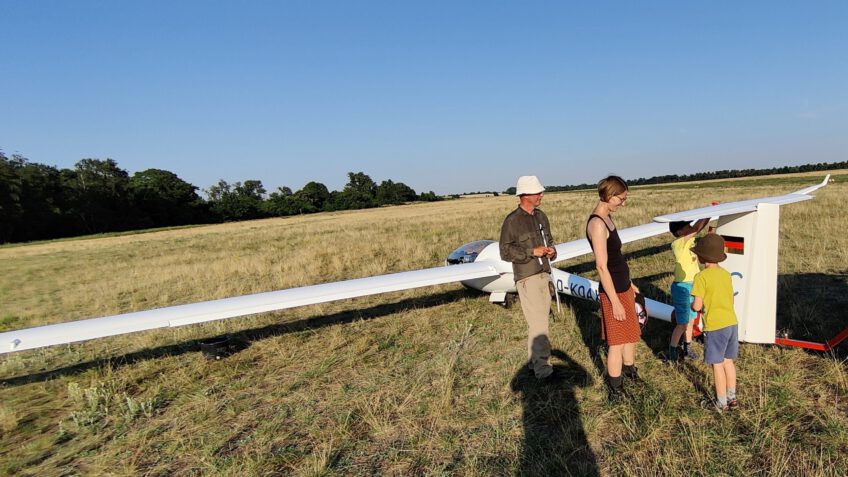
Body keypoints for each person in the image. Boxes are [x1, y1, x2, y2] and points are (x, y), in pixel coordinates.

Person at [586, 175, 640, 399]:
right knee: (617, 342)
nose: (623, 203)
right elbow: (601, 266)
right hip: (612, 292)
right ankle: (615, 390)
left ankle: (630, 372)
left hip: (622, 286)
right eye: (621, 199)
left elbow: (616, 258)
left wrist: (630, 284)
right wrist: (615, 301)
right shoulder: (597, 224)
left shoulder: (608, 218)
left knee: (631, 335)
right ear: (608, 196)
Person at [500, 175, 557, 379]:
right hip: (527, 277)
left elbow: (550, 242)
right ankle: (543, 371)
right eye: (538, 192)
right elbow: (505, 252)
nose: (542, 195)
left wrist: (551, 251)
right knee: (539, 323)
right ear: (525, 195)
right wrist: (532, 252)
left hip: (544, 274)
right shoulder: (512, 221)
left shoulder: (541, 216)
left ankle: (535, 365)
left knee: (539, 322)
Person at [690, 233, 739, 412]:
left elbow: (697, 306)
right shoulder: (726, 275)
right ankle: (732, 397)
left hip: (715, 326)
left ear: (702, 257)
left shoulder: (701, 278)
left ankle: (720, 403)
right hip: (732, 322)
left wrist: (693, 305)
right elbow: (730, 300)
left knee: (716, 364)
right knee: (728, 362)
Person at [667, 218, 710, 362]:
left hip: (693, 285)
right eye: (688, 226)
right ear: (680, 232)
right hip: (682, 287)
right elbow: (697, 227)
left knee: (691, 320)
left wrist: (709, 219)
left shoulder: (690, 241)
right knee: (682, 323)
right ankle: (672, 352)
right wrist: (708, 213)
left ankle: (687, 348)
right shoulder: (678, 243)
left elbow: (699, 229)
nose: (691, 227)